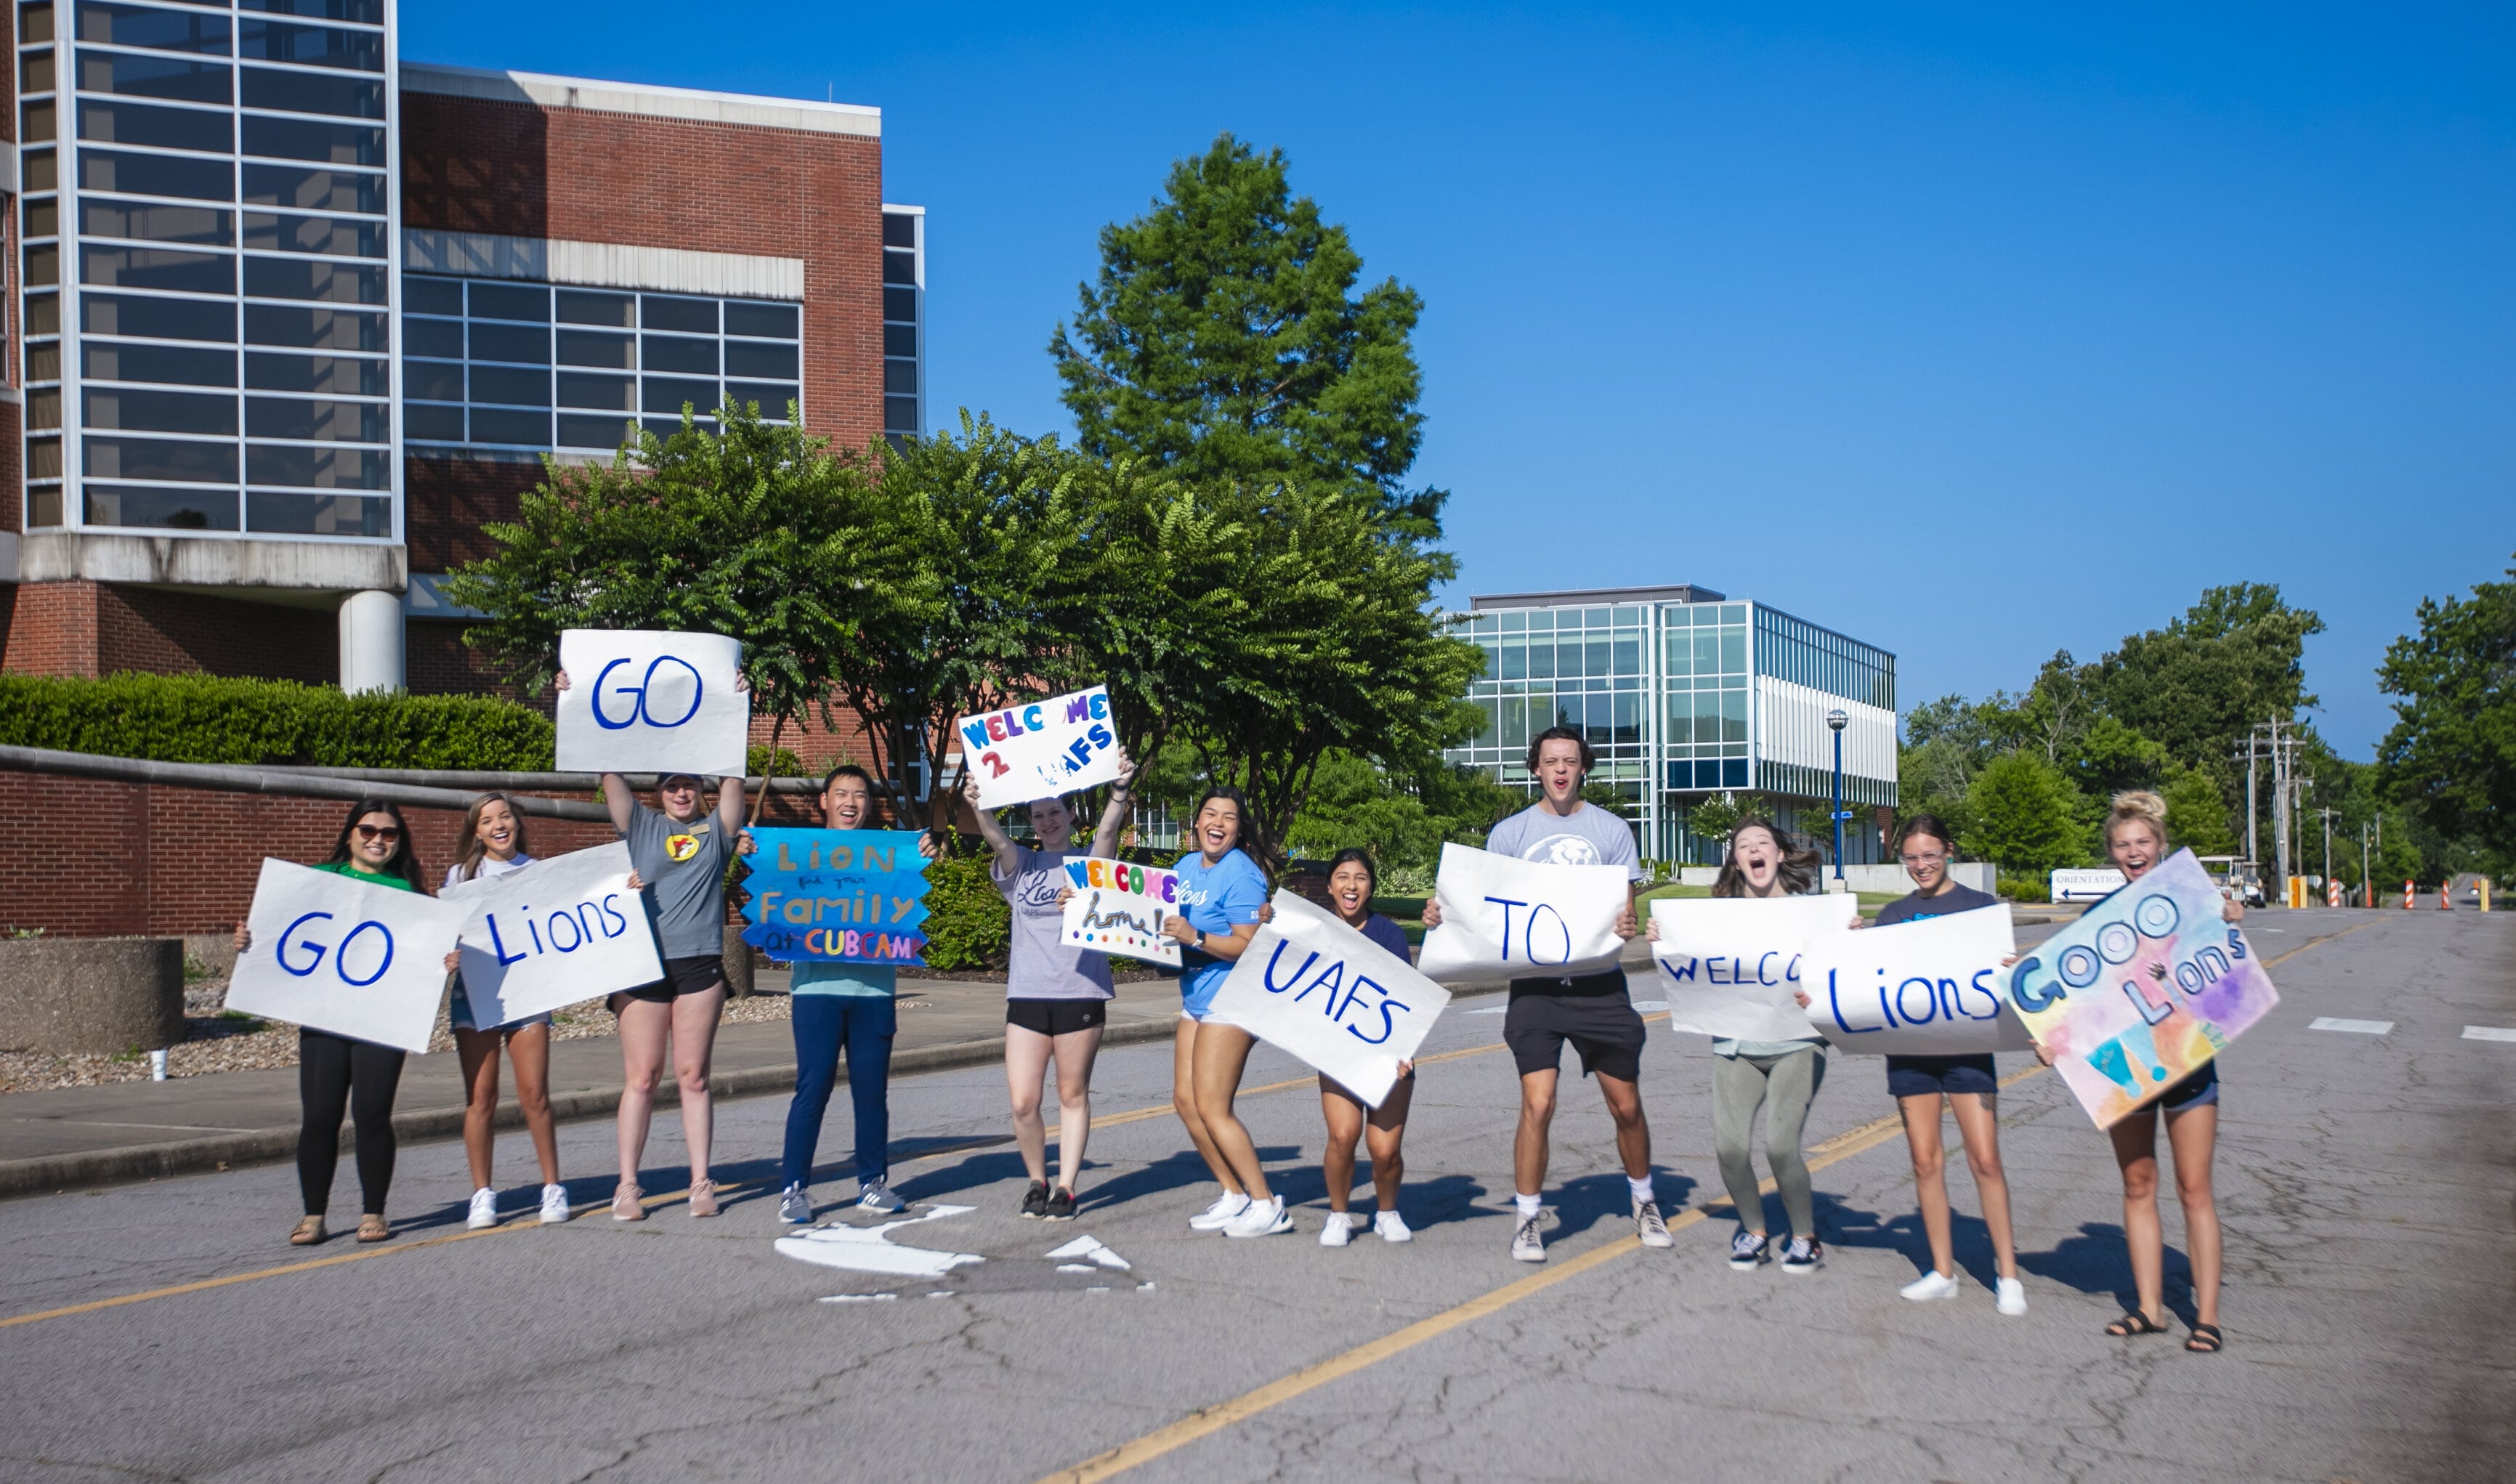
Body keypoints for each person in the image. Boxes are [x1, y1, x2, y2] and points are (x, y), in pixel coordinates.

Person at [1423, 726, 1667, 1263]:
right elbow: (1481, 909)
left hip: (1599, 985)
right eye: (1551, 760)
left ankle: (1644, 1199)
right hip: (1535, 990)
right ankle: (1528, 1218)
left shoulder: (1610, 831)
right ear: (1535, 768)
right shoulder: (1509, 834)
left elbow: (1622, 914)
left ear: (1584, 768)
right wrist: (1440, 915)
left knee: (1625, 1106)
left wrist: (1627, 922)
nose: (1560, 769)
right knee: (1538, 1102)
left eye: (1570, 761)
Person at [557, 660, 748, 1223]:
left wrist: (737, 706)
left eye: (690, 783)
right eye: (671, 784)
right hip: (640, 963)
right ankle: (627, 1185)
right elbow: (606, 770)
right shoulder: (639, 826)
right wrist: (575, 698)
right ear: (659, 792)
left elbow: (734, 781)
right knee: (641, 1077)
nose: (682, 791)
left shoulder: (716, 832)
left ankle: (699, 1181)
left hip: (699, 965)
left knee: (692, 1075)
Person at [1832, 814, 2026, 1315]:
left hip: (1969, 1051)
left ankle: (2007, 1274)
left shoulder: (1980, 907)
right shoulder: (1894, 915)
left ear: (1949, 851)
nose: (1920, 865)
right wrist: (1846, 944)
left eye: (1929, 854)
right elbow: (1869, 982)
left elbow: (2004, 982)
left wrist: (2013, 968)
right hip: (1911, 1054)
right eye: (1911, 857)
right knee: (1924, 1161)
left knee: (1985, 1159)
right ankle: (1942, 1271)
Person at [234, 799, 446, 1246]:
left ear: (399, 841)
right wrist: (248, 939)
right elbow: (278, 934)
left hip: (381, 1021)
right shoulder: (317, 882)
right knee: (320, 1116)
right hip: (324, 1016)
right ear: (350, 834)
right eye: (368, 830)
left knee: (372, 1114)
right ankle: (314, 1215)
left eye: (389, 833)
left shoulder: (413, 896)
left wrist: (445, 961)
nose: (378, 840)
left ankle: (374, 1211)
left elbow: (422, 958)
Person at [2075, 790, 2241, 1354]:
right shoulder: (2095, 921)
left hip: (2189, 1060)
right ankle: (2148, 1309)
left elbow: (2226, 978)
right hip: (2128, 1067)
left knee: (2194, 1188)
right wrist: (2051, 1035)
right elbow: (2075, 1003)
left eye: (2142, 841)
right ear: (2111, 854)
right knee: (2137, 1184)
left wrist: (2229, 923)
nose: (2133, 851)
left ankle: (2207, 1315)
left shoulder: (2194, 904)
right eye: (2122, 844)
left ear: (2161, 846)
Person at [1649, 818, 1829, 1273]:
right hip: (1736, 1045)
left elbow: (1841, 971)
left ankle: (1805, 1235)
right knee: (1730, 1149)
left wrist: (1850, 934)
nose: (1753, 850)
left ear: (1780, 854)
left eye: (1762, 843)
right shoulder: (1717, 917)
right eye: (1743, 845)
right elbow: (1688, 964)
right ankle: (1754, 1229)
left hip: (1798, 1043)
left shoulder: (1813, 914)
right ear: (1736, 860)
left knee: (1781, 1147)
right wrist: (1664, 940)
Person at [768, 765, 937, 1223]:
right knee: (812, 1088)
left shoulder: (889, 855)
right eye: (841, 794)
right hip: (816, 990)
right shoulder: (798, 854)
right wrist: (750, 850)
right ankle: (793, 1190)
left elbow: (913, 884)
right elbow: (770, 886)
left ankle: (873, 1183)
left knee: (871, 1092)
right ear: (823, 802)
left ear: (869, 804)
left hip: (874, 992)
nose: (850, 802)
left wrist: (924, 853)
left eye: (859, 795)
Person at [976, 755, 1136, 1220]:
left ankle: (1065, 1186)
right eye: (1037, 815)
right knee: (1024, 1101)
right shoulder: (1021, 865)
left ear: (1070, 816)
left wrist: (1120, 789)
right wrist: (979, 806)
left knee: (1072, 1094)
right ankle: (1036, 1180)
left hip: (1080, 991)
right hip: (1026, 995)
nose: (1047, 822)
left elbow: (1107, 834)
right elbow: (994, 838)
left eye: (1055, 813)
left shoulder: (1090, 866)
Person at [444, 793, 567, 1230]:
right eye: (487, 820)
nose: (498, 825)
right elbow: (443, 934)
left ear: (517, 822)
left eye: (505, 816)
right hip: (476, 993)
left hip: (526, 992)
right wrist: (448, 953)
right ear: (475, 831)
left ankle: (552, 1186)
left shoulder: (538, 872)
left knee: (535, 1094)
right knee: (481, 1098)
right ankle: (482, 1194)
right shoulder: (460, 876)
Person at [1165, 787, 1280, 1236]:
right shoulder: (1184, 868)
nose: (1218, 822)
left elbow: (1249, 946)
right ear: (1196, 822)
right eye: (1210, 813)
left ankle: (1267, 1204)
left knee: (1214, 1106)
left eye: (1229, 817)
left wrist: (1194, 937)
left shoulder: (1243, 876)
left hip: (1232, 1000)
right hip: (1196, 998)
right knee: (1186, 1102)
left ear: (1238, 828)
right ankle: (1233, 1194)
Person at [1311, 849, 1418, 1248]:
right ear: (1330, 886)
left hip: (1389, 1055)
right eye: (1342, 877)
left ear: (1370, 887)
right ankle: (1339, 1215)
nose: (1351, 886)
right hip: (1336, 1054)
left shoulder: (1388, 933)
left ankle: (1387, 1212)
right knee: (1343, 1135)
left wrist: (1403, 1053)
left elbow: (1406, 999)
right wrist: (1271, 921)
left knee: (1385, 1149)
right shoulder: (1314, 930)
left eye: (1359, 878)